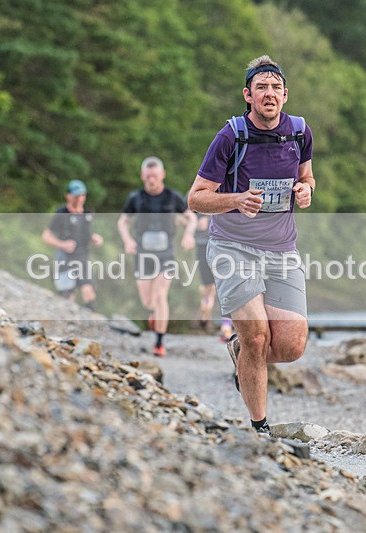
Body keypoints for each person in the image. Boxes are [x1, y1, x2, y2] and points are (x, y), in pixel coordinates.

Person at [187, 55, 315, 434]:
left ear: (285, 95)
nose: (269, 93)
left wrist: (306, 190)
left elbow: (307, 175)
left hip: (282, 251)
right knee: (257, 335)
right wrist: (236, 199)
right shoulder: (231, 135)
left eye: (276, 87)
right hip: (232, 248)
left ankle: (241, 350)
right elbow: (196, 198)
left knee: (291, 346)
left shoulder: (300, 132)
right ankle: (260, 427)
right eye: (261, 87)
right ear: (248, 95)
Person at [118, 156, 196, 357]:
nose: (152, 179)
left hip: (166, 254)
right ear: (143, 176)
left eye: (155, 175)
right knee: (148, 302)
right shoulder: (135, 198)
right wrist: (127, 240)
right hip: (143, 255)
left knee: (161, 296)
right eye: (148, 176)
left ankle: (159, 343)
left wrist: (188, 235)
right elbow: (123, 221)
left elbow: (191, 218)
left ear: (162, 175)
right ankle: (153, 314)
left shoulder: (172, 197)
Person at [41, 179, 104, 311]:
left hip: (82, 258)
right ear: (68, 195)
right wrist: (62, 244)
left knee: (88, 291)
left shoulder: (88, 213)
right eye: (76, 196)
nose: (79, 199)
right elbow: (46, 236)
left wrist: (94, 238)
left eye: (82, 195)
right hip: (65, 259)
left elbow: (85, 233)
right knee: (66, 296)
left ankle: (91, 323)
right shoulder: (61, 213)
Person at [195, 215, 235, 341]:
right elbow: (181, 216)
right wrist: (194, 223)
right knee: (207, 287)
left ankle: (226, 327)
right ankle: (205, 311)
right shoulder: (196, 195)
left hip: (226, 245)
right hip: (203, 244)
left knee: (225, 286)